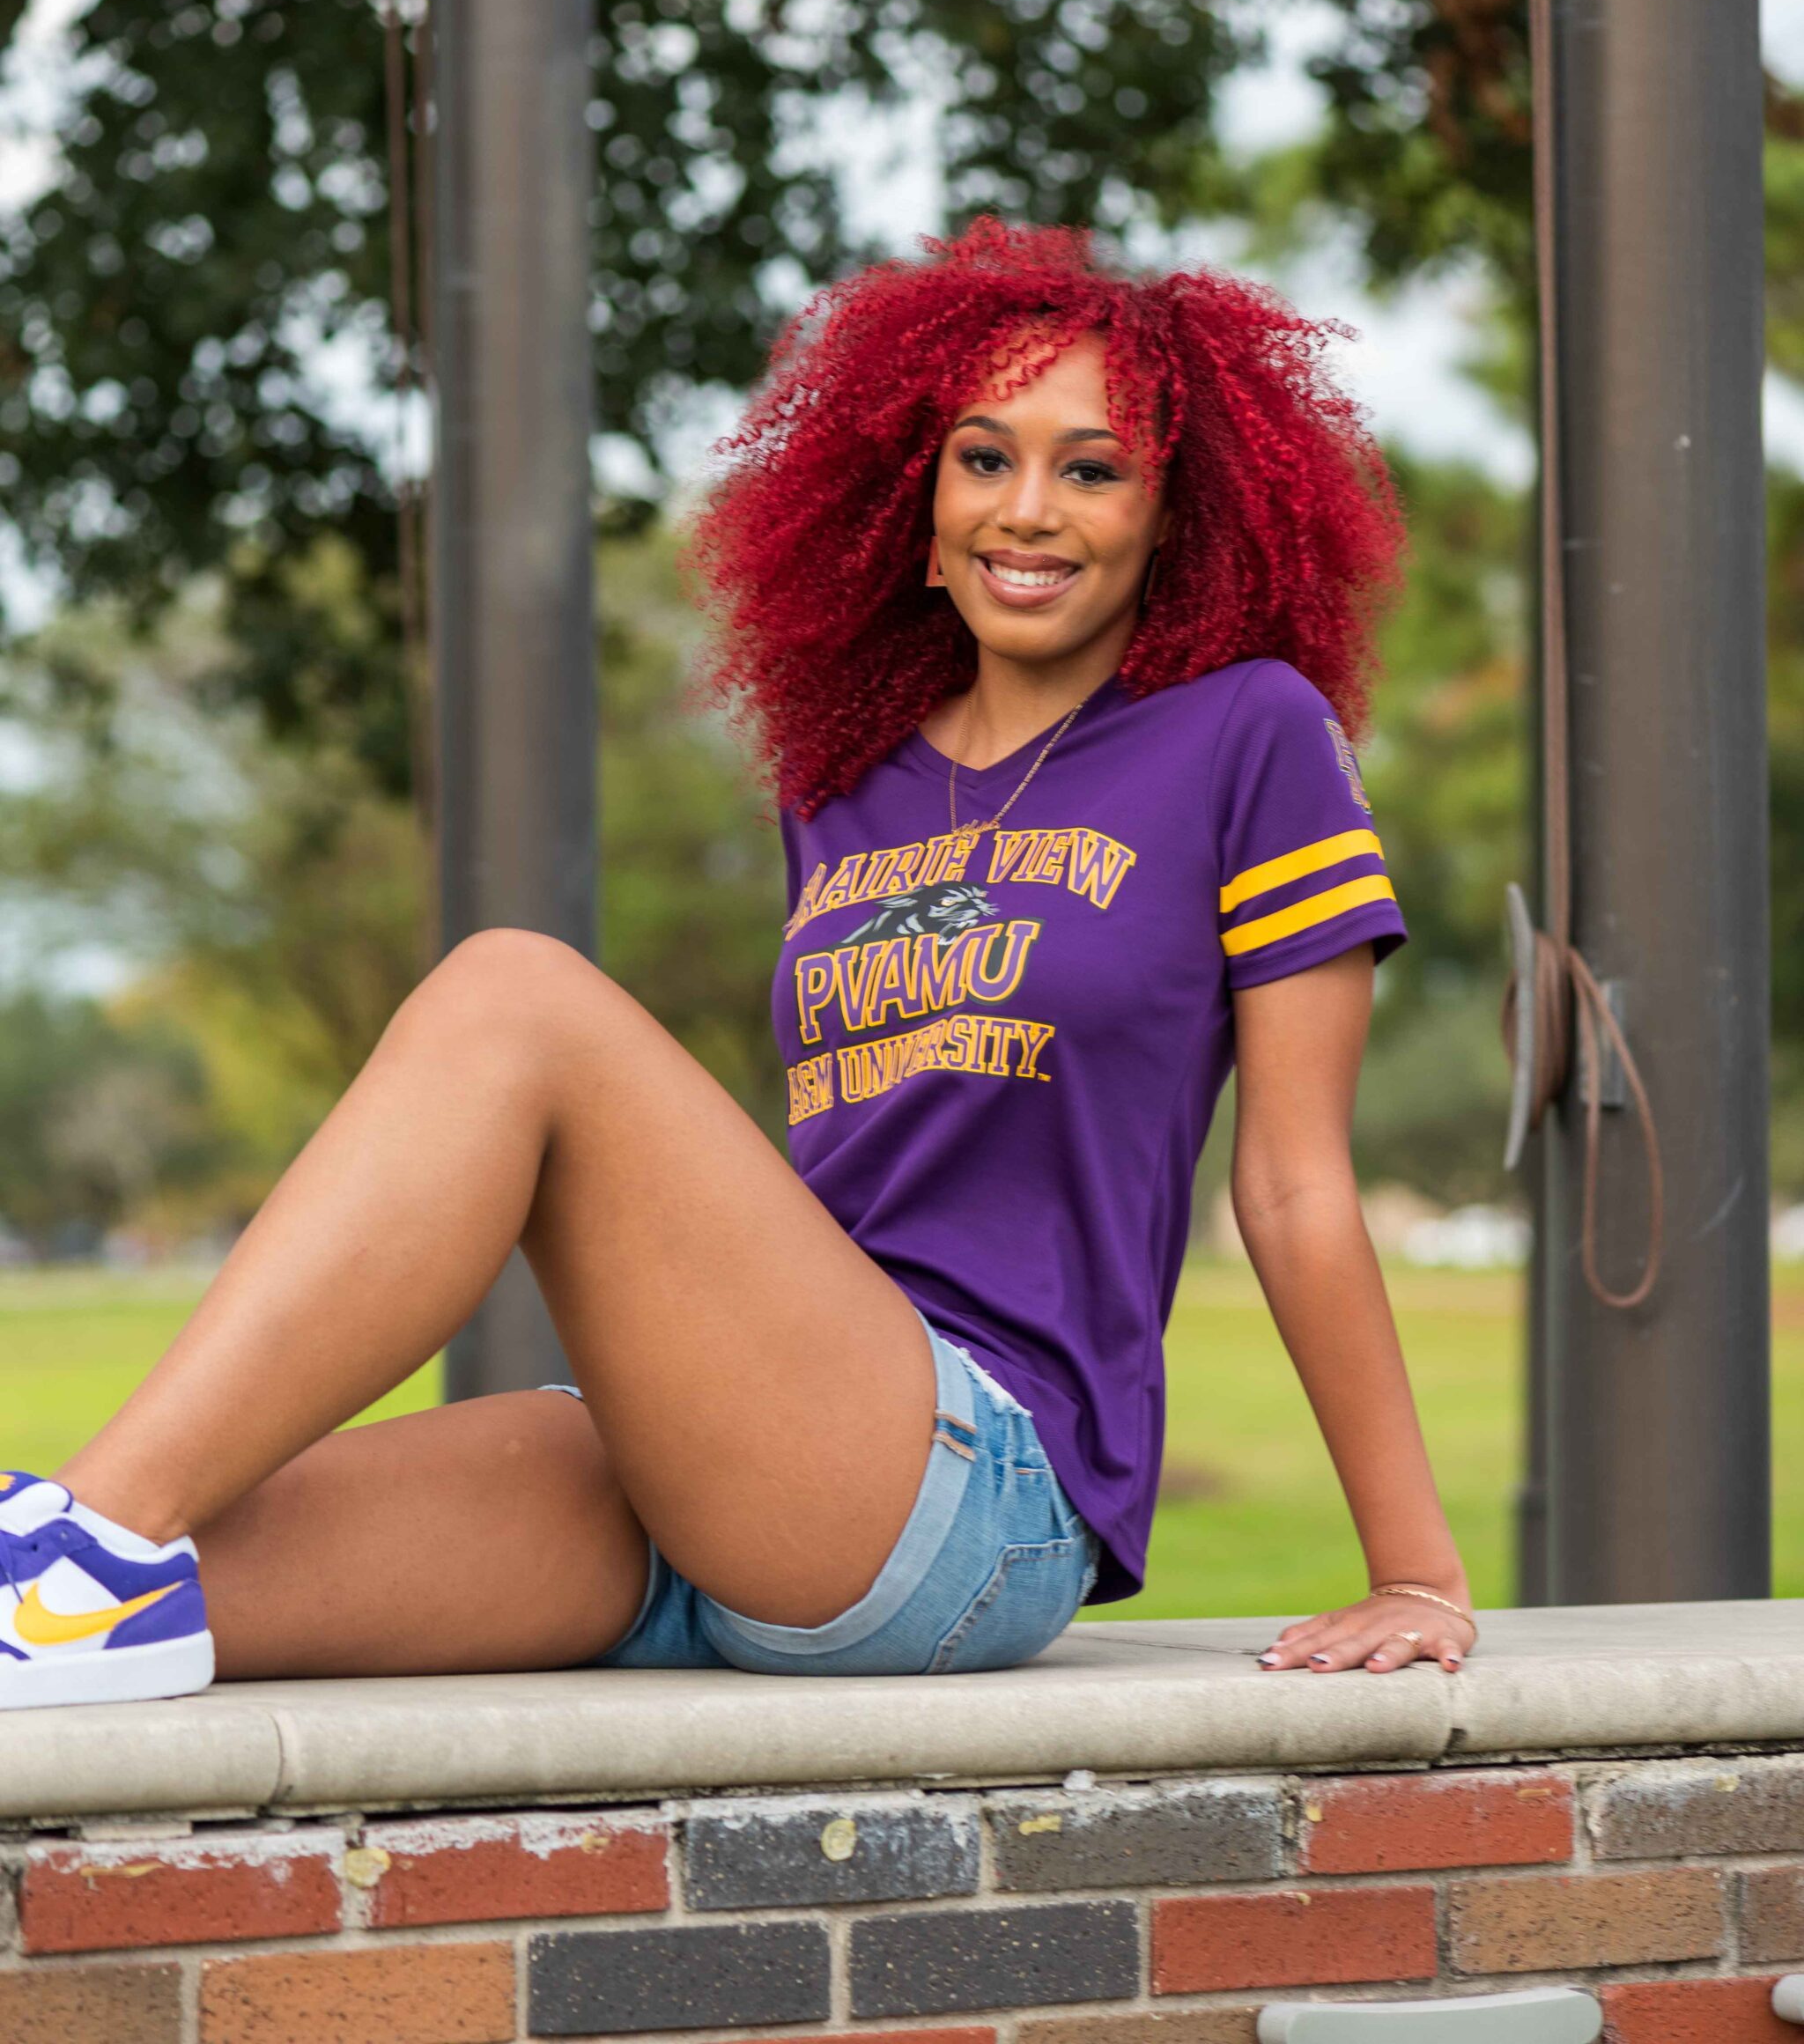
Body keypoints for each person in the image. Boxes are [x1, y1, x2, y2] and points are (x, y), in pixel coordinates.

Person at [0, 217, 1477, 1710]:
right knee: (201, 1581)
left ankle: (79, 1548)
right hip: (734, 1453)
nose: (1028, 510)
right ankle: (93, 1556)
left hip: (977, 1481)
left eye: (1092, 470)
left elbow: (1293, 1183)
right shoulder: (845, 783)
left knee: (515, 995)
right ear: (915, 490)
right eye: (984, 458)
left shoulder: (1245, 735)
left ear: (1174, 516)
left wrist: (1416, 1568)